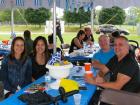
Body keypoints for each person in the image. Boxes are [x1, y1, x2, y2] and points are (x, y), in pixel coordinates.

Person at [86, 36, 140, 105]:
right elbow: (103, 70)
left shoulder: (129, 62)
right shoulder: (116, 58)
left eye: (120, 45)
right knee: (90, 93)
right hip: (115, 92)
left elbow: (117, 86)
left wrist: (95, 82)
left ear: (127, 47)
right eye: (115, 45)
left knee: (90, 98)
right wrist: (99, 77)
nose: (116, 47)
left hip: (126, 98)